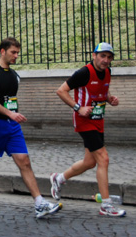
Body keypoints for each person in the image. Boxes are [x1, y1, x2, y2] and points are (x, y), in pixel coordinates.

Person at [0, 37, 62, 219]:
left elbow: (9, 100)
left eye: (18, 52)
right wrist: (10, 114)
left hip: (12, 126)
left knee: (24, 161)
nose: (16, 56)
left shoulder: (15, 76)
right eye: (13, 52)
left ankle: (39, 203)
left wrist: (12, 116)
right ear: (2, 51)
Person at [49, 42, 126, 217]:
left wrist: (109, 99)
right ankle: (106, 205)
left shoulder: (107, 72)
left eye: (109, 57)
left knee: (90, 162)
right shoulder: (84, 72)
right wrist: (78, 108)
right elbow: (61, 91)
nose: (105, 60)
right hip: (84, 121)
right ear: (94, 55)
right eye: (102, 56)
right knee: (103, 159)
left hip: (98, 120)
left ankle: (58, 178)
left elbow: (101, 90)